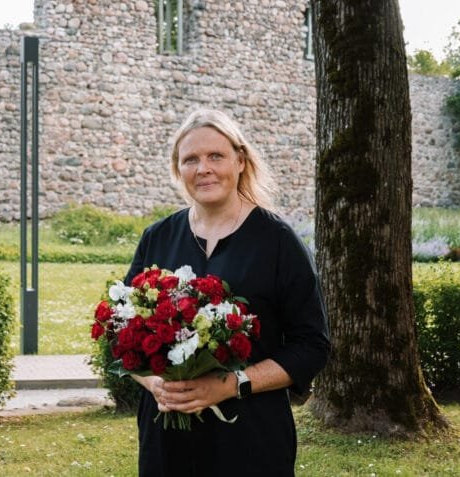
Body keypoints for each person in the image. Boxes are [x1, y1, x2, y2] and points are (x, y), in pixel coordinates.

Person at [126, 109, 330, 476]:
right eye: (190, 159)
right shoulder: (157, 238)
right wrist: (155, 383)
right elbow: (123, 335)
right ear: (178, 169)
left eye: (215, 156)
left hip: (251, 438)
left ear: (240, 161)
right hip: (166, 439)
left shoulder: (278, 242)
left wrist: (232, 384)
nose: (203, 168)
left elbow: (312, 345)